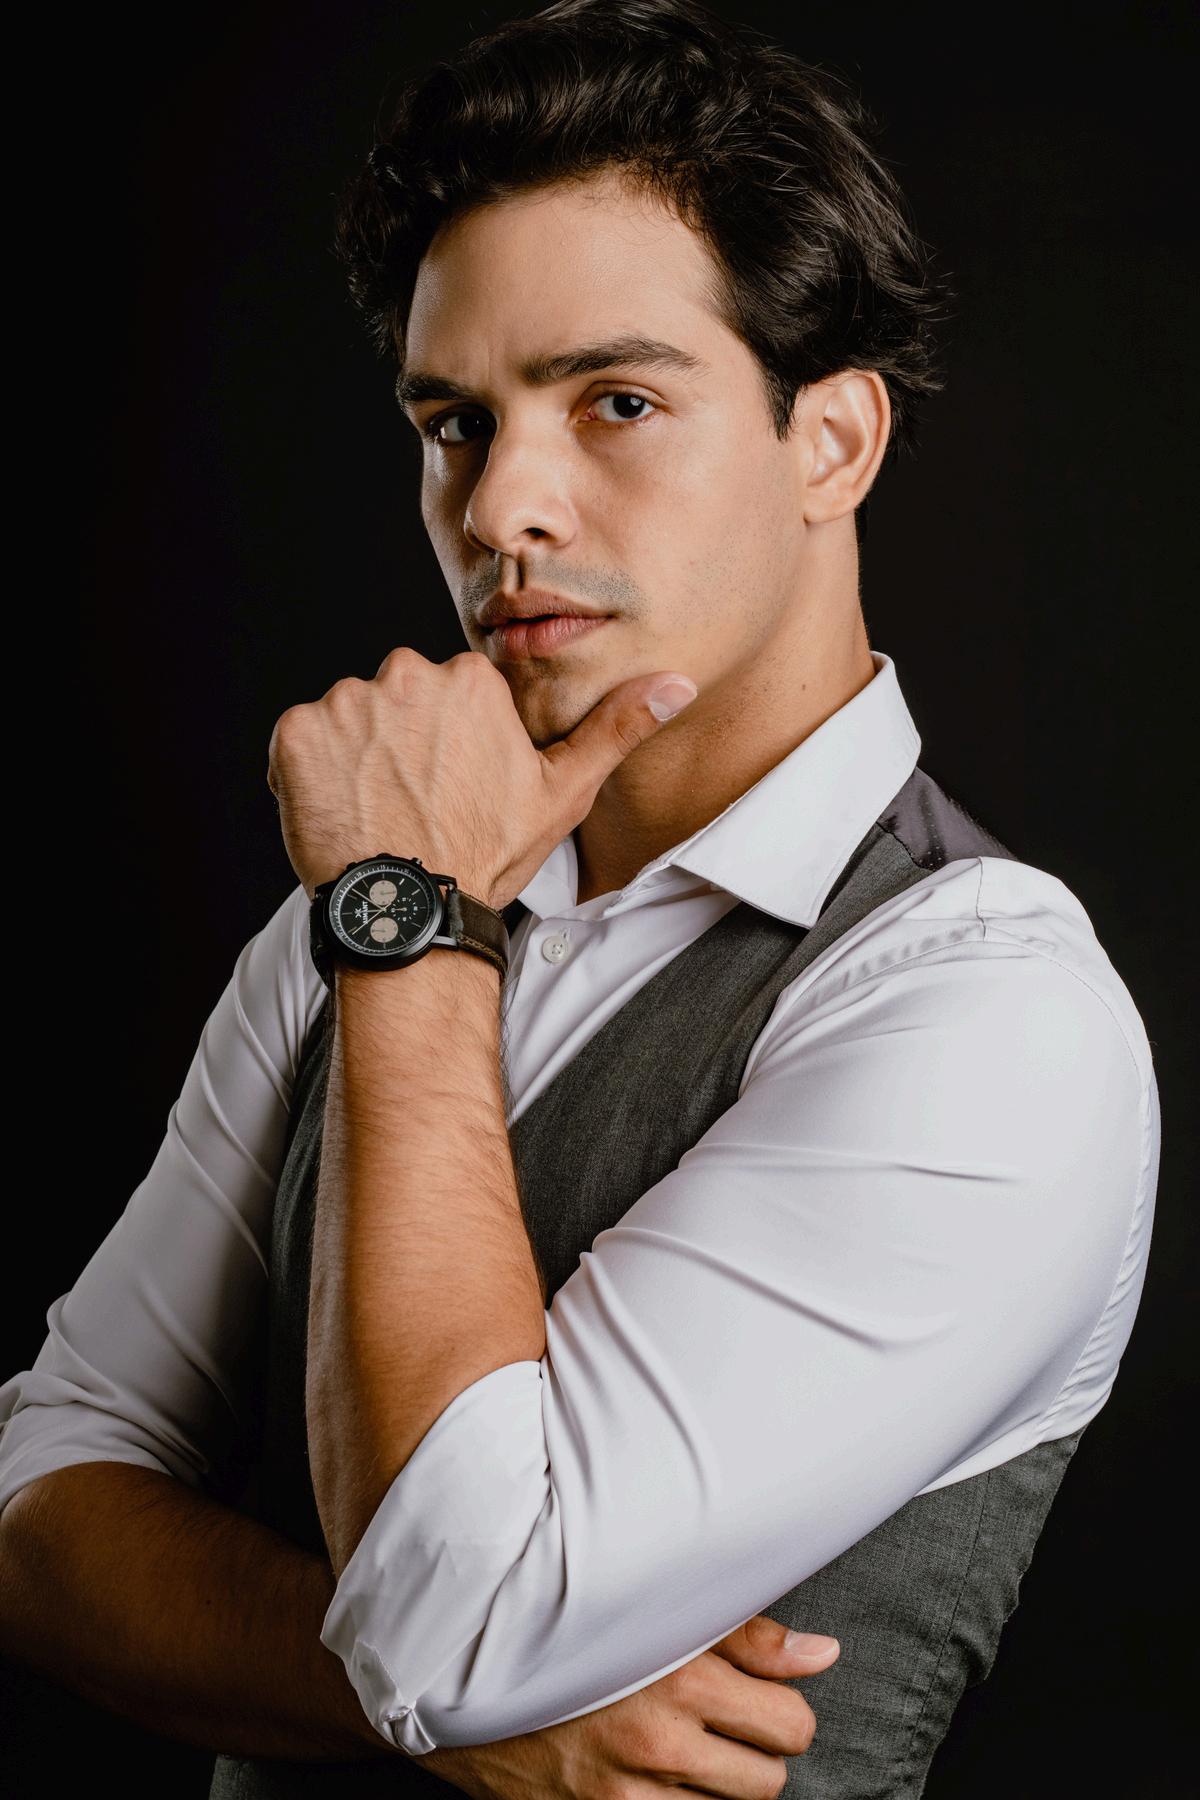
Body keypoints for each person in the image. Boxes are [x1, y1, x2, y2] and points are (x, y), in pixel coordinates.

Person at [0, 3, 1159, 1798]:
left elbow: (459, 1628)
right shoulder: (368, 913)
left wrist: (405, 921)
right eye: (455, 423)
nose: (503, 509)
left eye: (617, 402)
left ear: (832, 442)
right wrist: (469, 1713)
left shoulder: (989, 1008)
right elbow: (35, 1516)